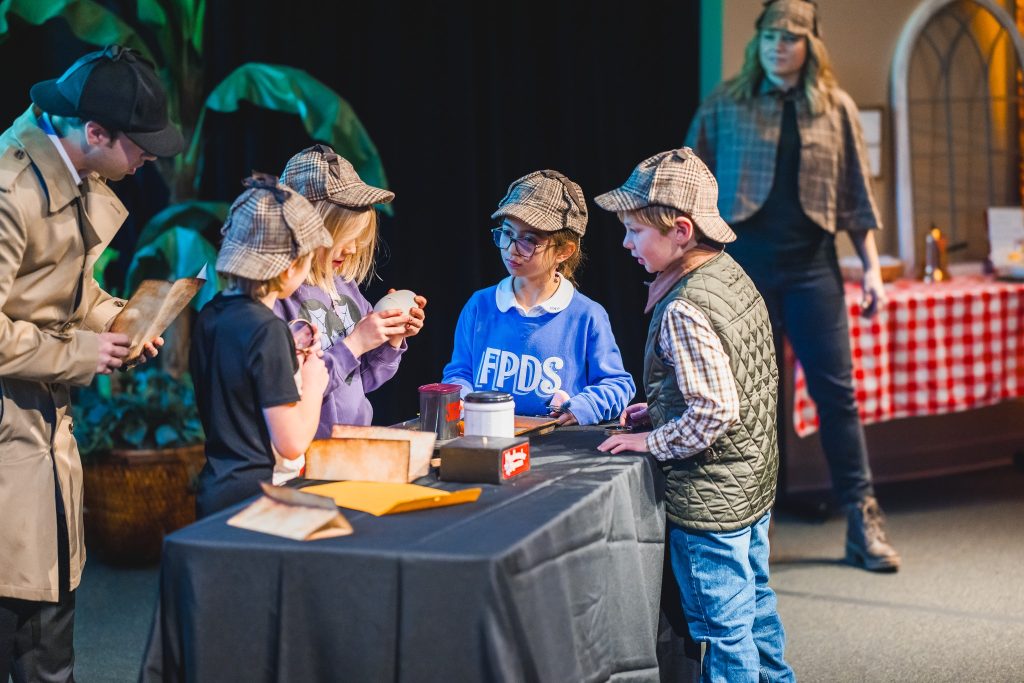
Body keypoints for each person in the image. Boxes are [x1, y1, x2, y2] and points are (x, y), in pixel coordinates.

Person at [685, 0, 900, 571]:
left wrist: (873, 269)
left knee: (837, 394)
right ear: (759, 42)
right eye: (772, 36)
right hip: (742, 269)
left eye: (793, 37)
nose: (780, 45)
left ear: (811, 45)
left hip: (813, 267)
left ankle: (861, 518)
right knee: (750, 399)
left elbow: (856, 197)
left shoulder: (836, 107)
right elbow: (690, 186)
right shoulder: (727, 105)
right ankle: (750, 525)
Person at [0, 45, 181, 682]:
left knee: (47, 632)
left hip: (42, 432)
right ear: (94, 132)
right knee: (30, 630)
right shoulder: (9, 189)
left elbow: (69, 289)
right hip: (9, 437)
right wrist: (81, 351)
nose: (148, 159)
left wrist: (119, 322)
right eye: (139, 145)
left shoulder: (78, 174)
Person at [596, 148, 794, 682]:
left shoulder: (685, 305)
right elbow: (733, 378)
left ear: (681, 230)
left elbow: (714, 411)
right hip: (750, 486)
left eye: (636, 230)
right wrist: (659, 408)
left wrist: (652, 442)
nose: (626, 243)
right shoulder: (727, 271)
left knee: (724, 631)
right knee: (756, 606)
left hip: (711, 503)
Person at [442, 170, 634, 425]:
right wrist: (465, 399)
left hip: (557, 449)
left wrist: (582, 406)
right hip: (486, 437)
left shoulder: (586, 315)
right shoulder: (480, 305)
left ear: (564, 251)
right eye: (507, 233)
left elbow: (617, 384)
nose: (511, 249)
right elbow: (459, 371)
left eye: (529, 241)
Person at [189, 173, 331, 517]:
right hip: (258, 499)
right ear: (289, 268)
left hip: (215, 492)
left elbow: (238, 379)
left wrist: (284, 355)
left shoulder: (211, 314)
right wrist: (314, 382)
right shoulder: (268, 331)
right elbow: (292, 441)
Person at [276, 145, 426, 437]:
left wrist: (391, 339)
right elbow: (293, 393)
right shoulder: (282, 298)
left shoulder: (345, 287)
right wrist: (354, 344)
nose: (354, 248)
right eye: (343, 235)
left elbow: (362, 381)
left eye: (359, 237)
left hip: (350, 445)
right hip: (304, 453)